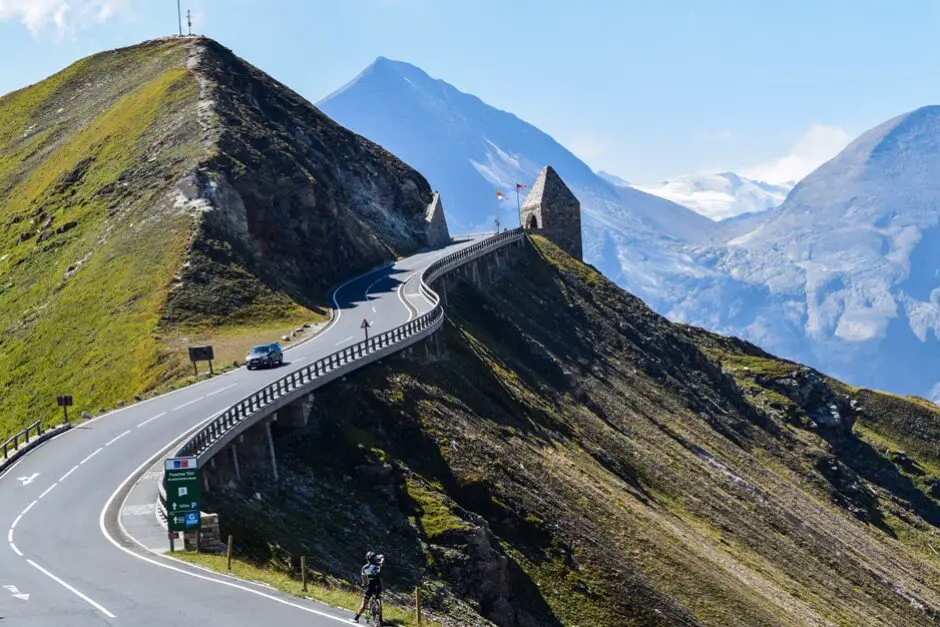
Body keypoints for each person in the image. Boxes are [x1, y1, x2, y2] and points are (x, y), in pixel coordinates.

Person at [353, 551, 384, 624]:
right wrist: (382, 557)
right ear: (374, 559)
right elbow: (382, 560)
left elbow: (363, 577)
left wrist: (363, 584)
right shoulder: (378, 565)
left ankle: (356, 618)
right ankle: (380, 619)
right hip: (378, 586)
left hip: (370, 587)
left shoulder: (365, 567)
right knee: (378, 601)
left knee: (364, 604)